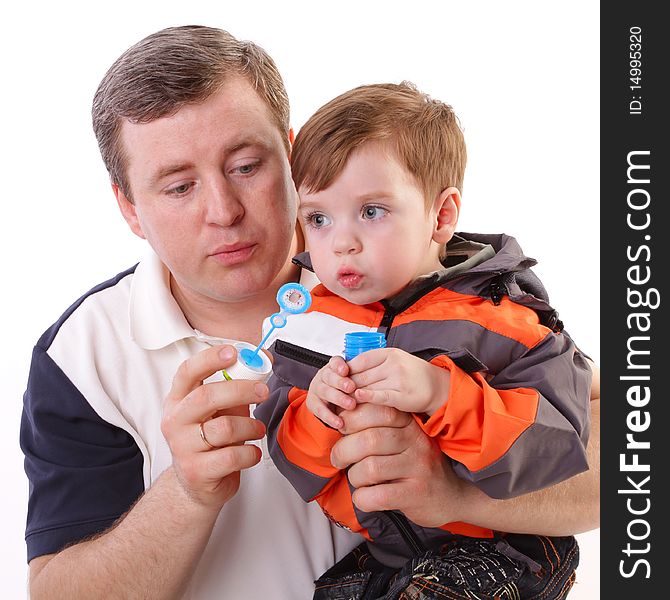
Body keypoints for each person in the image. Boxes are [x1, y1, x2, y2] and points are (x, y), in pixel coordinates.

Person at [19, 26, 600, 600]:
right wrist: (186, 495)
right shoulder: (82, 356)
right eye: (178, 187)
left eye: (247, 166)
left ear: (293, 156)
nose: (223, 211)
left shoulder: (396, 261)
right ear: (129, 208)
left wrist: (453, 494)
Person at [255, 82, 593, 599]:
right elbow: (293, 461)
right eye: (318, 218)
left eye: (371, 211)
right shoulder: (308, 324)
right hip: (390, 552)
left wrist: (442, 394)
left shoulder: (505, 319)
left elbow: (553, 446)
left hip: (505, 549)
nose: (341, 241)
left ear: (442, 216)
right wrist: (317, 415)